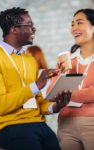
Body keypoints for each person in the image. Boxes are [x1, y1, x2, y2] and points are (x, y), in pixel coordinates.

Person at [0, 7, 70, 150]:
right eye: (29, 25)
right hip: (10, 126)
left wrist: (56, 106)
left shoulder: (30, 60)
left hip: (38, 124)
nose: (34, 29)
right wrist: (36, 85)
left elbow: (37, 101)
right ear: (14, 29)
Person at [50, 8, 94, 150]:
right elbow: (51, 92)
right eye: (72, 24)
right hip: (66, 124)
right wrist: (83, 93)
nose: (74, 28)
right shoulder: (66, 58)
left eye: (79, 23)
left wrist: (66, 93)